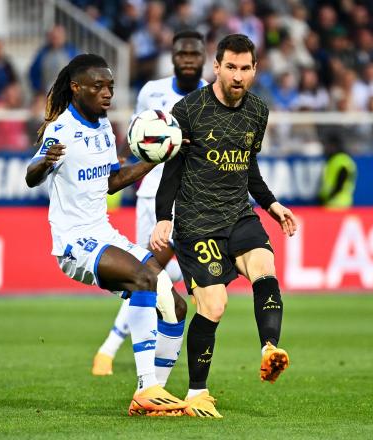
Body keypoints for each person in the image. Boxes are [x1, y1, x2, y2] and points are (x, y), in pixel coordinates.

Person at [24, 54, 187, 416]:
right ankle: (147, 387)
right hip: (73, 242)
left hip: (103, 232)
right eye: (98, 86)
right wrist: (45, 162)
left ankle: (153, 395)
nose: (107, 93)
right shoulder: (61, 129)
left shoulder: (103, 128)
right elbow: (31, 176)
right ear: (76, 87)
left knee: (175, 306)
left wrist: (158, 158)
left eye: (110, 86)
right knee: (144, 279)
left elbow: (113, 181)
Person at [151, 34, 298, 418]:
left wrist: (272, 204)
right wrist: (163, 218)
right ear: (215, 67)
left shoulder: (257, 112)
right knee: (214, 305)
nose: (237, 75)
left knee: (265, 266)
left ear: (255, 70)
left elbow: (248, 168)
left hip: (238, 215)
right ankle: (197, 392)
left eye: (245, 68)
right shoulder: (189, 110)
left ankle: (270, 348)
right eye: (230, 67)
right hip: (197, 225)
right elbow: (172, 172)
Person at [92, 30, 207, 378]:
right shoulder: (151, 91)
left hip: (195, 197)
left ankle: (154, 363)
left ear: (203, 58)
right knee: (149, 274)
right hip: (153, 193)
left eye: (194, 54)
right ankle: (113, 351)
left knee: (187, 280)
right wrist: (119, 169)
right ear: (172, 57)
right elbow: (137, 138)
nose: (187, 59)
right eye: (182, 54)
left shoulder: (210, 95)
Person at [29, 25, 77, 95]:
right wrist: (39, 89)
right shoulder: (42, 54)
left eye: (58, 37)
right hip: (46, 93)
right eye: (53, 37)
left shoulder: (72, 53)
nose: (56, 39)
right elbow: (34, 73)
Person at [318, 131, 357, 208]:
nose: (325, 148)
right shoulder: (338, 160)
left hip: (337, 203)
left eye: (327, 145)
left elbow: (340, 183)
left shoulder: (341, 160)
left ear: (334, 146)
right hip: (336, 203)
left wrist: (329, 196)